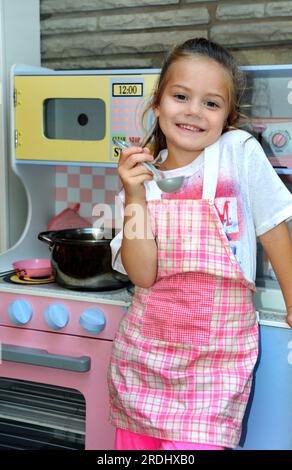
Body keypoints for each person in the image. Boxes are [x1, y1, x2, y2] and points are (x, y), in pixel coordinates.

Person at [108, 37, 292, 450]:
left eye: (211, 103)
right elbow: (142, 274)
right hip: (144, 362)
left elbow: (273, 228)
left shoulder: (238, 153)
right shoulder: (141, 181)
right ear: (157, 104)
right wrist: (135, 197)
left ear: (227, 116)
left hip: (216, 365)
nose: (193, 111)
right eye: (180, 96)